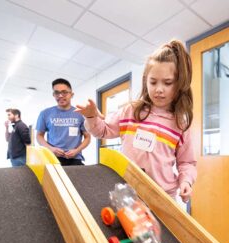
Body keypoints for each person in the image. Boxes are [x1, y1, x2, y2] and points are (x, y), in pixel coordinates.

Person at [76, 39, 196, 203]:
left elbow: (187, 162)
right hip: (127, 191)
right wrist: (91, 117)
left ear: (179, 84)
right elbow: (102, 130)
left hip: (162, 197)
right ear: (146, 80)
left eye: (167, 83)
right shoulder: (130, 111)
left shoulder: (180, 124)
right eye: (153, 82)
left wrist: (186, 181)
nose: (158, 89)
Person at [36, 78, 91, 166]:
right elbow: (39, 136)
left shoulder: (80, 113)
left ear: (71, 94)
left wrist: (76, 150)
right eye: (57, 93)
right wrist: (51, 149)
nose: (60, 95)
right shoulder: (45, 114)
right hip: (52, 158)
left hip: (75, 158)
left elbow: (87, 137)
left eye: (64, 92)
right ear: (53, 95)